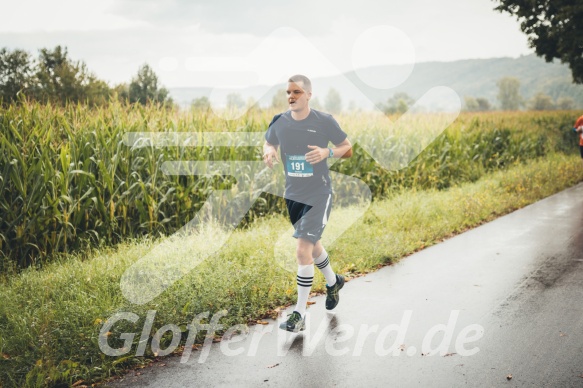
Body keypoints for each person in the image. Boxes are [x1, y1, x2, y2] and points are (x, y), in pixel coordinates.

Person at [263, 74, 353, 332]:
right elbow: (270, 140)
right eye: (288, 92)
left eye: (297, 92)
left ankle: (299, 315)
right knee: (313, 246)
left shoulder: (324, 121)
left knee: (302, 249)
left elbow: (347, 148)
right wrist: (269, 150)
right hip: (293, 194)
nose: (291, 96)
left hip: (318, 194)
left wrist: (328, 152)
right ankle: (333, 281)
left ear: (308, 95)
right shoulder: (280, 121)